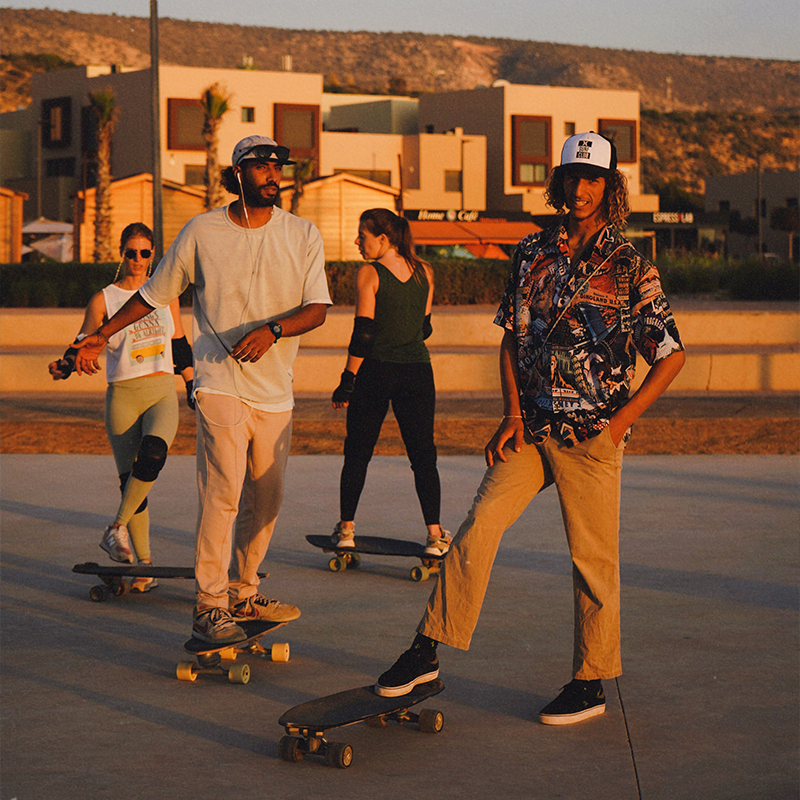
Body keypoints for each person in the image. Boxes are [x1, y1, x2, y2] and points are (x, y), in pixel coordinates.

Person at [373, 132, 686, 725]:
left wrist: (618, 426)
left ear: (611, 186)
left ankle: (590, 682)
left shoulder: (630, 267)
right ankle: (426, 651)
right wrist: (512, 414)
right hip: (533, 428)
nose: (582, 188)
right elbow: (513, 340)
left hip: (593, 433)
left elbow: (670, 354)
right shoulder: (532, 253)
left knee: (594, 562)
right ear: (560, 183)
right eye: (573, 177)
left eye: (594, 178)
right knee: (477, 528)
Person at [70, 135, 331, 644]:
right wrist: (101, 334)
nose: (272, 174)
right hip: (218, 382)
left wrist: (273, 330)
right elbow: (151, 295)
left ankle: (243, 591)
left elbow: (318, 308)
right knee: (223, 494)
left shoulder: (302, 234)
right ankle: (209, 604)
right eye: (261, 166)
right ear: (237, 174)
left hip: (276, 389)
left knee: (267, 498)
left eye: (278, 167)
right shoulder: (202, 231)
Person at [49, 222, 194, 592]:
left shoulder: (165, 294)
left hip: (162, 390)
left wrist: (192, 384)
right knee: (131, 481)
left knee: (154, 454)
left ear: (153, 256)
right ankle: (144, 566)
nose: (138, 260)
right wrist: (65, 366)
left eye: (146, 253)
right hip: (122, 395)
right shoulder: (104, 299)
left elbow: (179, 342)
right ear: (122, 254)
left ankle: (115, 528)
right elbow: (83, 342)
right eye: (131, 252)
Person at [330, 209, 450, 555]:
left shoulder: (369, 272)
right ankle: (435, 535)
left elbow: (364, 334)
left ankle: (347, 531)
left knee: (357, 453)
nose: (357, 242)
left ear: (383, 239)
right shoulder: (425, 271)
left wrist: (347, 379)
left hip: (376, 372)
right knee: (423, 455)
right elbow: (425, 328)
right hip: (417, 373)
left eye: (362, 236)